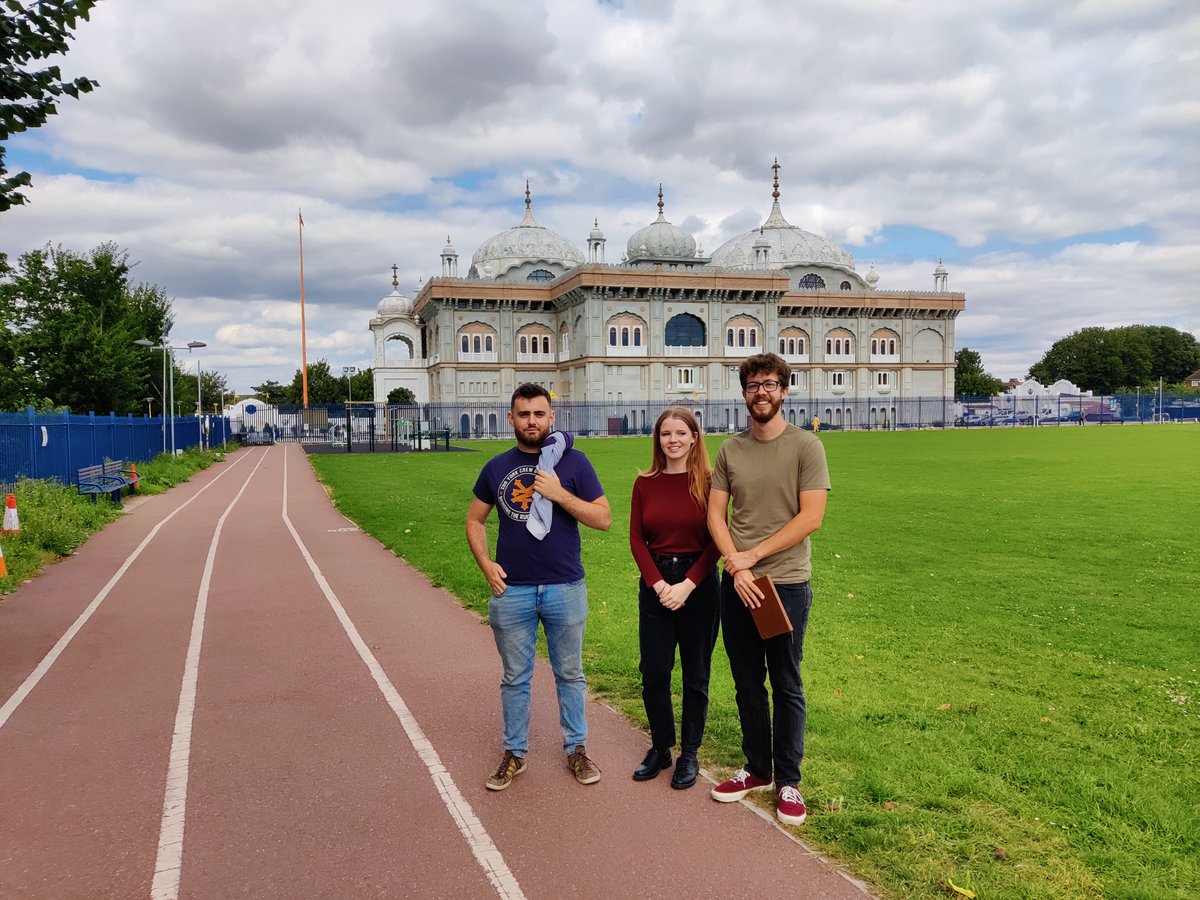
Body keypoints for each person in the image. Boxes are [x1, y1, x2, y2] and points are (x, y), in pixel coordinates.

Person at [466, 383, 612, 791]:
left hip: (565, 586)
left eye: (539, 414)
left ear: (552, 417)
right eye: (524, 414)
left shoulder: (574, 463)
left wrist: (560, 494)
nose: (532, 421)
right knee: (515, 678)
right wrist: (485, 564)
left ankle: (577, 750)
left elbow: (603, 519)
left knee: (570, 673)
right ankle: (515, 753)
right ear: (511, 418)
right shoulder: (496, 466)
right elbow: (474, 520)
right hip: (512, 590)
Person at [706, 353, 831, 826]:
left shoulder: (806, 446)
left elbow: (811, 517)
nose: (762, 392)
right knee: (746, 681)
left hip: (785, 584)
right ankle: (757, 769)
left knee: (785, 681)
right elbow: (716, 514)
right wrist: (736, 570)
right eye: (754, 384)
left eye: (771, 384)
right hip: (737, 583)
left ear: (784, 390)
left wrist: (751, 558)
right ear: (744, 392)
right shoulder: (730, 450)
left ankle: (789, 781)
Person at [628, 408, 721, 789]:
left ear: (695, 437)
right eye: (666, 434)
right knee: (654, 672)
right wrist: (659, 584)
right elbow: (636, 539)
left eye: (681, 433)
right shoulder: (645, 483)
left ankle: (690, 754)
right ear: (658, 439)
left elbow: (719, 539)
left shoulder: (711, 482)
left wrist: (688, 584)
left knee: (695, 675)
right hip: (656, 584)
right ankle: (661, 747)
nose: (673, 440)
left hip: (698, 585)